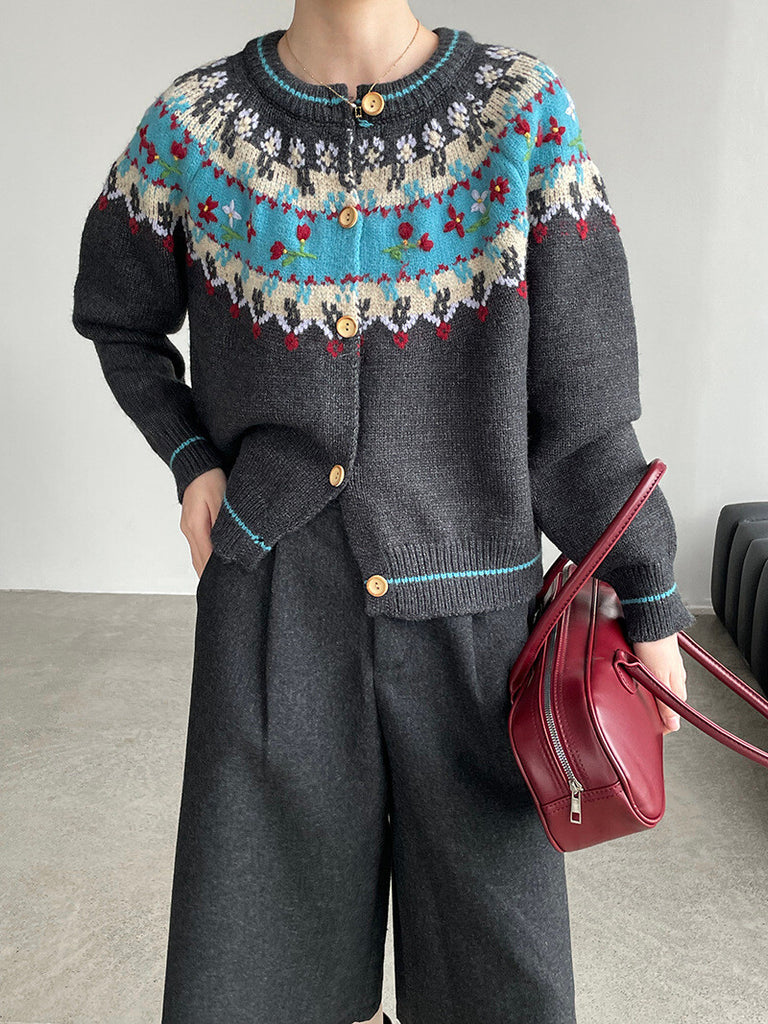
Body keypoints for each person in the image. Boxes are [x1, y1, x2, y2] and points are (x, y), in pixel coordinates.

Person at [71, 2, 695, 1021]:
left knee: (503, 981)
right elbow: (117, 317)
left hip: (480, 637)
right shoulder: (196, 128)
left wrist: (649, 589)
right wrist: (192, 463)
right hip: (272, 613)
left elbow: (583, 409)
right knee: (252, 976)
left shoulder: (521, 113)